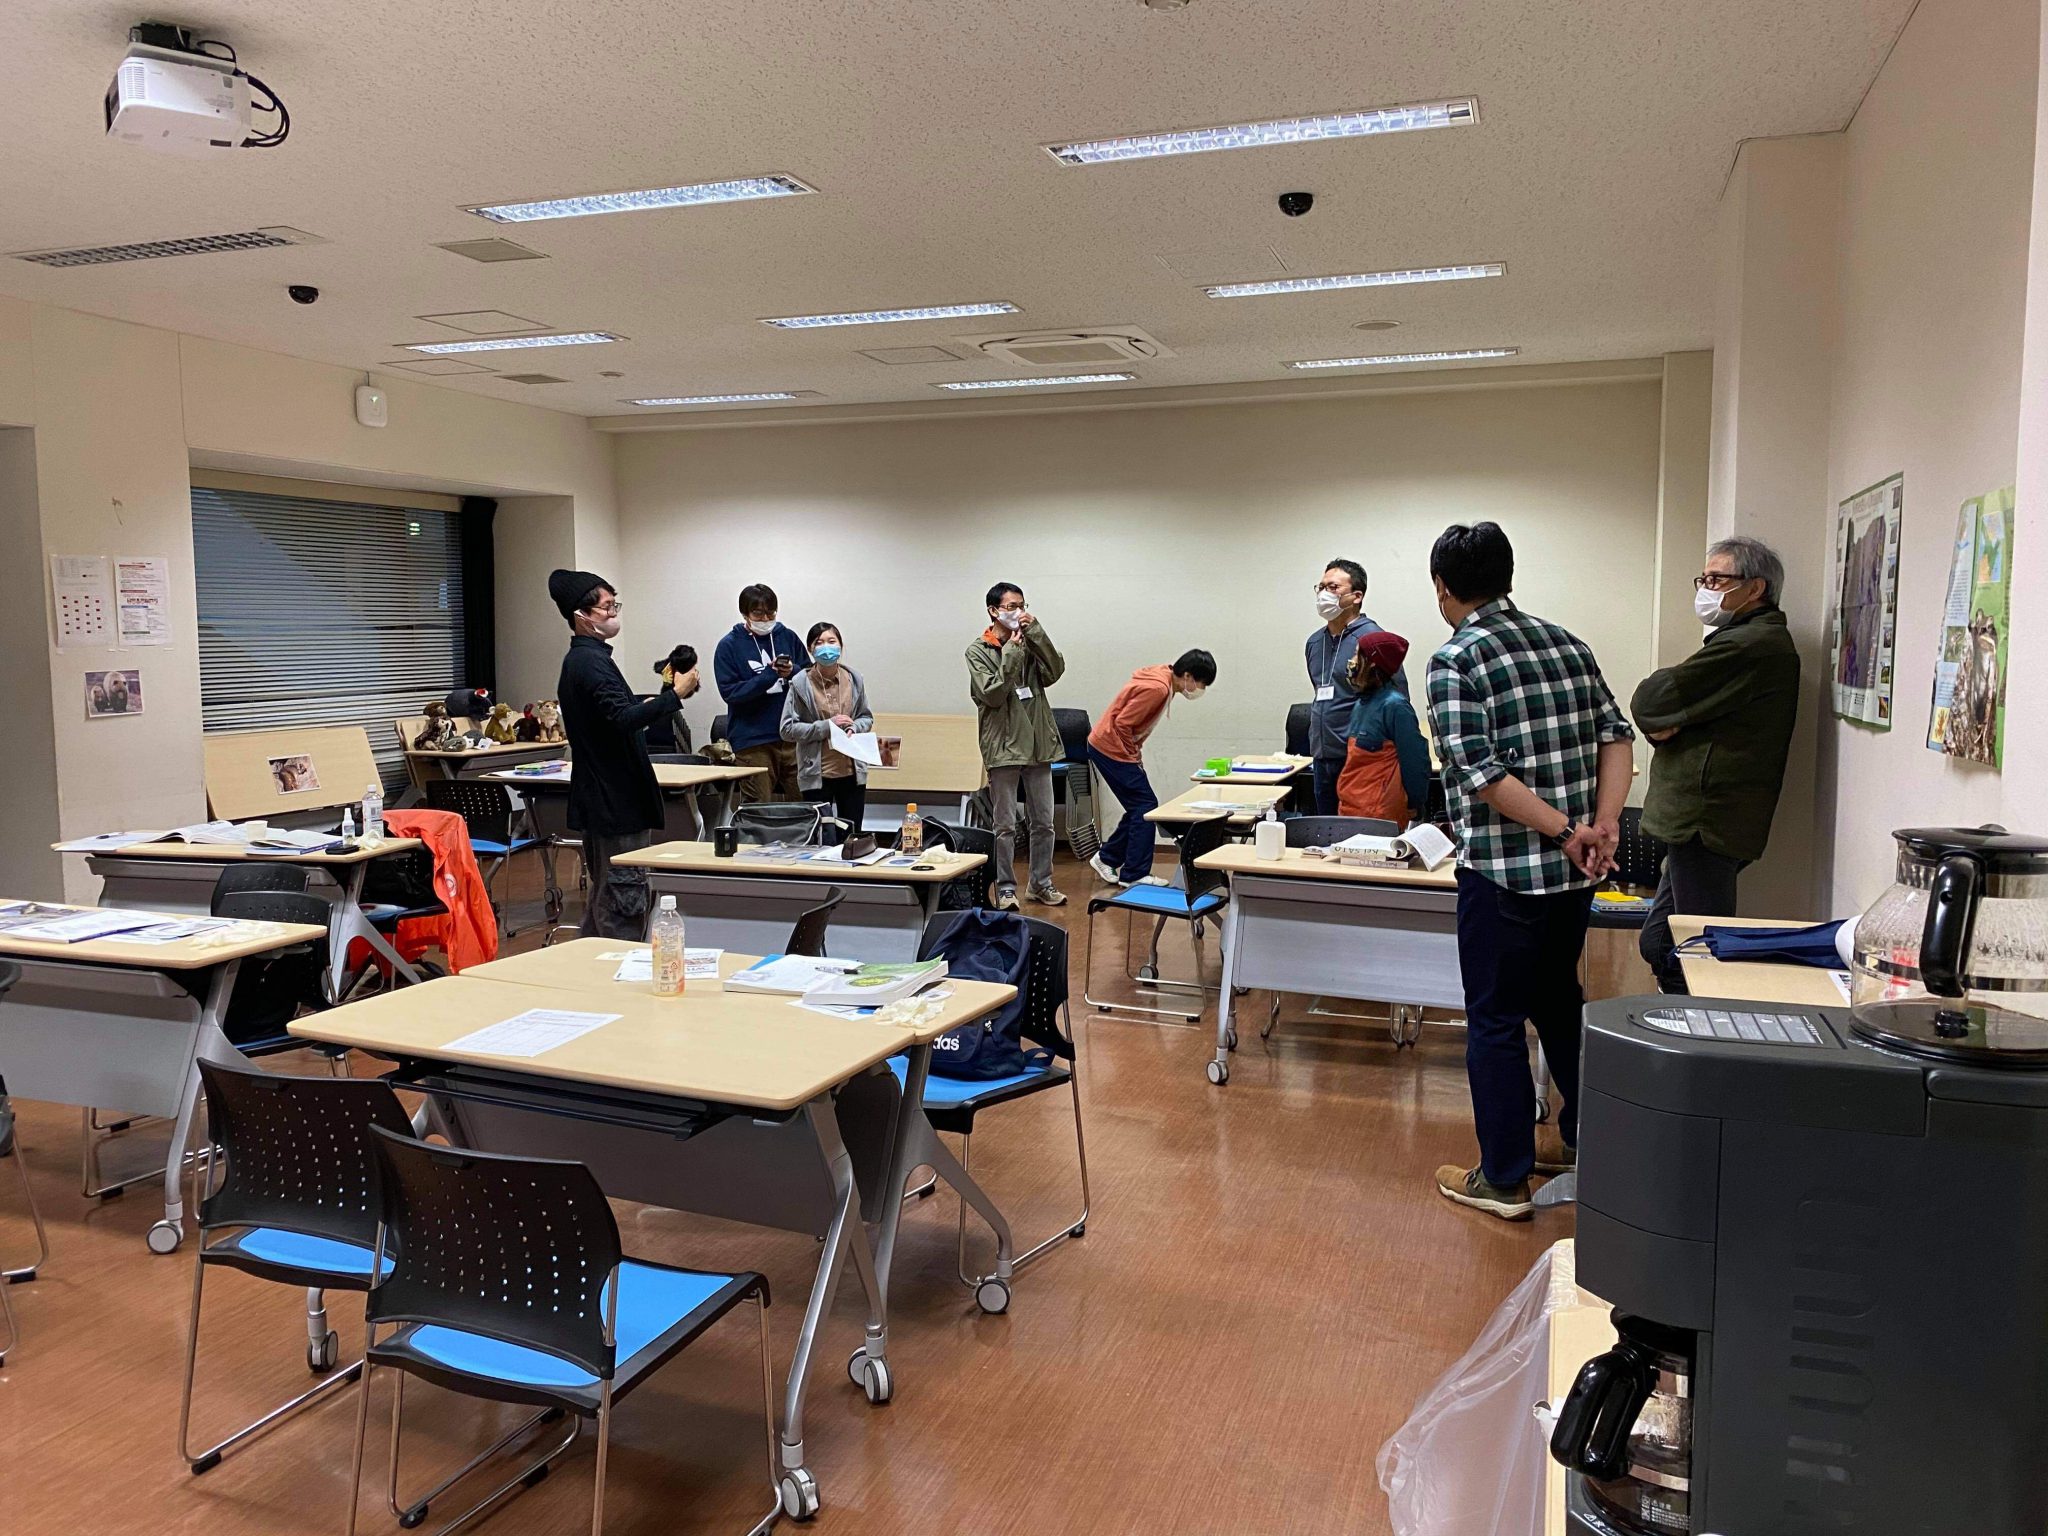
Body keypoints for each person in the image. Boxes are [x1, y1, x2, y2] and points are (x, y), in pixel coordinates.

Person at [1423, 523, 1635, 1221]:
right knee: (1559, 1002)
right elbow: (1616, 736)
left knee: (1494, 1019)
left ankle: (1504, 1177)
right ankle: (1588, 1141)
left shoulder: (1455, 660)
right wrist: (1603, 826)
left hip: (1504, 876)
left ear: (1443, 588)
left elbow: (1482, 776)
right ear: (1508, 576)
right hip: (1575, 880)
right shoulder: (1566, 643)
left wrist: (1567, 832)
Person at [1631, 536, 1801, 990]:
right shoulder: (1740, 638)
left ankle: (1699, 1025)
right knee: (1660, 942)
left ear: (1755, 588)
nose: (1706, 589)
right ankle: (1676, 1012)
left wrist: (1668, 717)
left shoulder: (1750, 644)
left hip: (1707, 820)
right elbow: (1661, 714)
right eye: (1703, 579)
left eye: (1718, 579)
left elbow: (1651, 700)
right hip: (1701, 821)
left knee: (1699, 948)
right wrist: (1667, 723)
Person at [550, 568, 690, 939]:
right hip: (615, 800)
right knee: (622, 901)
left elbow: (617, 713)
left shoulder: (590, 659)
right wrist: (675, 697)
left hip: (610, 797)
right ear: (582, 615)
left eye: (615, 606)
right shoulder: (588, 662)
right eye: (607, 607)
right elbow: (622, 719)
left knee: (606, 896)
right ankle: (613, 967)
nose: (614, 614)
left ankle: (589, 964)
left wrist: (664, 695)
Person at [967, 582, 1067, 910]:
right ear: (993, 610)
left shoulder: (1030, 641)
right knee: (1005, 826)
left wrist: (1037, 633)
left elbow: (1054, 671)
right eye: (1011, 607)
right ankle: (1006, 888)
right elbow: (993, 693)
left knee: (1044, 823)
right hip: (1004, 745)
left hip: (1038, 742)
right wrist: (1011, 651)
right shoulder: (978, 650)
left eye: (1022, 606)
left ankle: (1041, 884)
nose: (1018, 612)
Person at [1085, 649, 1217, 886]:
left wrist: (1135, 754)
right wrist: (1133, 757)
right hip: (1110, 747)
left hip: (1108, 744)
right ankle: (1134, 873)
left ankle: (1107, 857)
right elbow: (1123, 725)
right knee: (1145, 806)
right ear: (1187, 676)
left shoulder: (1165, 677)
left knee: (1140, 806)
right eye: (1201, 683)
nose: (1201, 689)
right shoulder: (1158, 689)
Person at [1306, 558, 1403, 816]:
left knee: (1357, 832)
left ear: (1356, 596)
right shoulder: (1314, 643)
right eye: (1321, 587)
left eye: (1333, 587)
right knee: (1326, 830)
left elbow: (1397, 700)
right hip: (1323, 755)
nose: (1324, 594)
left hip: (1361, 757)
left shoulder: (1373, 640)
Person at [714, 583, 810, 804]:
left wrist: (792, 671)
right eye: (758, 613)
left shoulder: (787, 636)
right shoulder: (729, 645)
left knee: (806, 803)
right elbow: (730, 693)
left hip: (792, 737)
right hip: (752, 741)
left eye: (771, 612)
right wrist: (768, 676)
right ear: (744, 613)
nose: (766, 619)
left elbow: (809, 676)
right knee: (758, 807)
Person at [780, 622, 873, 831]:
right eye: (819, 642)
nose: (827, 647)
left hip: (851, 771)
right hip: (817, 774)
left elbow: (866, 717)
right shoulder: (800, 683)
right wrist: (827, 726)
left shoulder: (854, 679)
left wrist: (855, 727)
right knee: (820, 836)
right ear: (810, 649)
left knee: (852, 834)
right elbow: (787, 729)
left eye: (832, 641)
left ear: (840, 646)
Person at [1336, 631, 1430, 829]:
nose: (1352, 661)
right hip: (1350, 809)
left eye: (1357, 654)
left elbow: (1415, 760)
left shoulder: (1395, 706)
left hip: (1379, 816)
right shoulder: (1361, 703)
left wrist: (1415, 802)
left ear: (1372, 663)